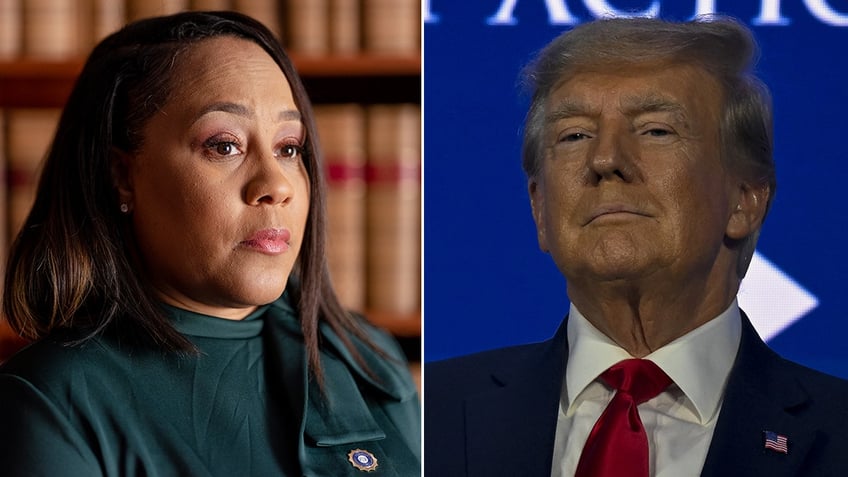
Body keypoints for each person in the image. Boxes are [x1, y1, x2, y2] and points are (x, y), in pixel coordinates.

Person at [0, 11, 420, 476]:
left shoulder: (367, 355)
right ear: (122, 176)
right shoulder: (47, 401)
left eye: (288, 148)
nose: (275, 184)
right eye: (225, 145)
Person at [425, 16, 848, 477]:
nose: (605, 160)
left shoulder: (837, 432)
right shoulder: (430, 417)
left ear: (744, 200)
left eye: (655, 130)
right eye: (575, 135)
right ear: (540, 209)